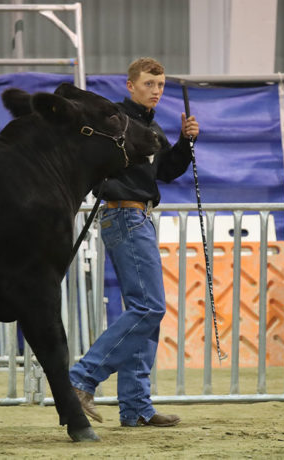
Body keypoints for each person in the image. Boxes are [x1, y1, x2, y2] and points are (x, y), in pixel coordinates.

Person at [69, 57, 199, 427]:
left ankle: (136, 407)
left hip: (137, 214)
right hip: (125, 213)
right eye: (148, 85)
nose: (155, 91)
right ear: (130, 86)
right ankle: (82, 378)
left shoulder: (149, 125)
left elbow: (167, 172)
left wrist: (186, 144)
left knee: (146, 312)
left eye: (159, 86)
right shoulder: (116, 123)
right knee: (149, 307)